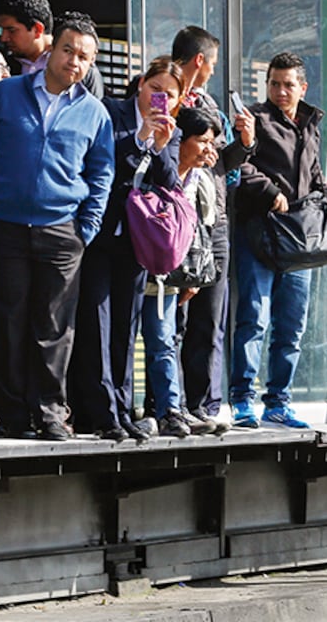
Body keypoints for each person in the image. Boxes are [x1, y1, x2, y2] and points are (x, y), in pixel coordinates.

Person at [0, 11, 113, 441]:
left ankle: (51, 414)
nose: (74, 61)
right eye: (68, 50)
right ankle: (10, 414)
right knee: (8, 322)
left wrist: (86, 228)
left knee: (54, 328)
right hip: (6, 224)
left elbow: (101, 173)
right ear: (52, 49)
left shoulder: (94, 113)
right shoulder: (7, 93)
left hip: (62, 231)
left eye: (84, 57)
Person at [230, 52, 327, 430]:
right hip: (259, 233)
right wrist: (269, 192)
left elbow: (315, 176)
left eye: (288, 85)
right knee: (254, 319)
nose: (280, 91)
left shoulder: (310, 123)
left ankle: (278, 402)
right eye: (274, 84)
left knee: (291, 325)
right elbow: (240, 163)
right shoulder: (255, 117)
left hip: (299, 237)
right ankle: (241, 400)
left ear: (303, 88)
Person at [69, 56, 182, 442]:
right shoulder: (110, 112)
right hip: (100, 234)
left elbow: (169, 183)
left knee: (125, 327)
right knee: (97, 323)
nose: (158, 98)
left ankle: (122, 407)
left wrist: (160, 147)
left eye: (169, 95)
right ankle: (101, 413)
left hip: (136, 240)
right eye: (154, 88)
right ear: (141, 83)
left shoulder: (172, 131)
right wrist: (139, 138)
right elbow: (103, 162)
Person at [171, 26, 253, 432]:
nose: (213, 71)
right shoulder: (165, 96)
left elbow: (219, 163)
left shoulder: (209, 105)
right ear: (199, 60)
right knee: (174, 320)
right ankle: (169, 405)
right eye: (213, 63)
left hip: (213, 221)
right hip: (174, 220)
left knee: (211, 319)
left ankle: (204, 404)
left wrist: (244, 143)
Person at [141, 107, 220, 437]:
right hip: (139, 266)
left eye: (211, 142)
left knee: (164, 341)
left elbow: (203, 230)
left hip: (170, 276)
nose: (208, 149)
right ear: (179, 140)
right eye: (201, 140)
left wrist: (194, 278)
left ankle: (170, 411)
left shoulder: (201, 181)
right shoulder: (151, 167)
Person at [0, 0, 105, 98]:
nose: (4, 38)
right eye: (2, 30)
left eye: (11, 30)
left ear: (37, 29)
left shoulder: (78, 68)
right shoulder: (3, 67)